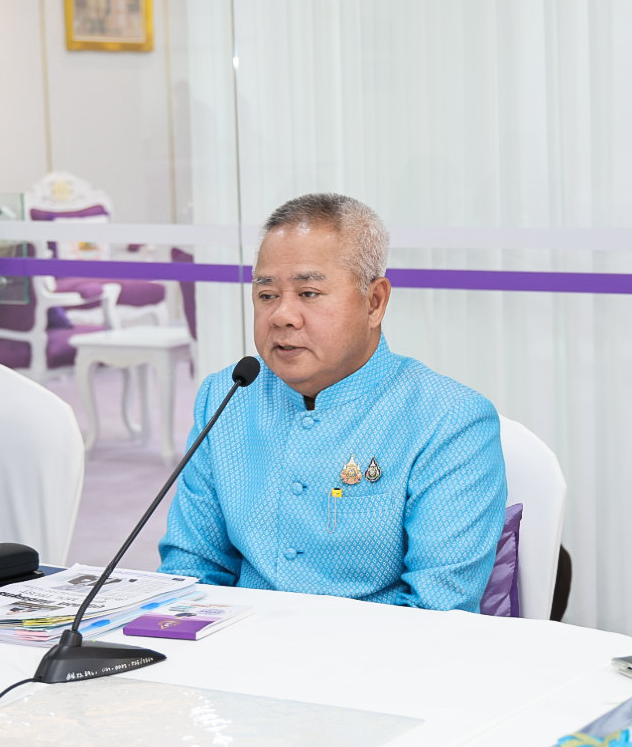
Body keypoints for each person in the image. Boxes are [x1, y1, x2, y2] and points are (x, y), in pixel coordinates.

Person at [158, 193, 507, 611]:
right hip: (233, 642)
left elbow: (437, 610)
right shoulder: (226, 396)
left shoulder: (449, 420)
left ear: (374, 302)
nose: (282, 316)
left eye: (308, 293)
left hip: (378, 650)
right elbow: (191, 572)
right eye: (267, 295)